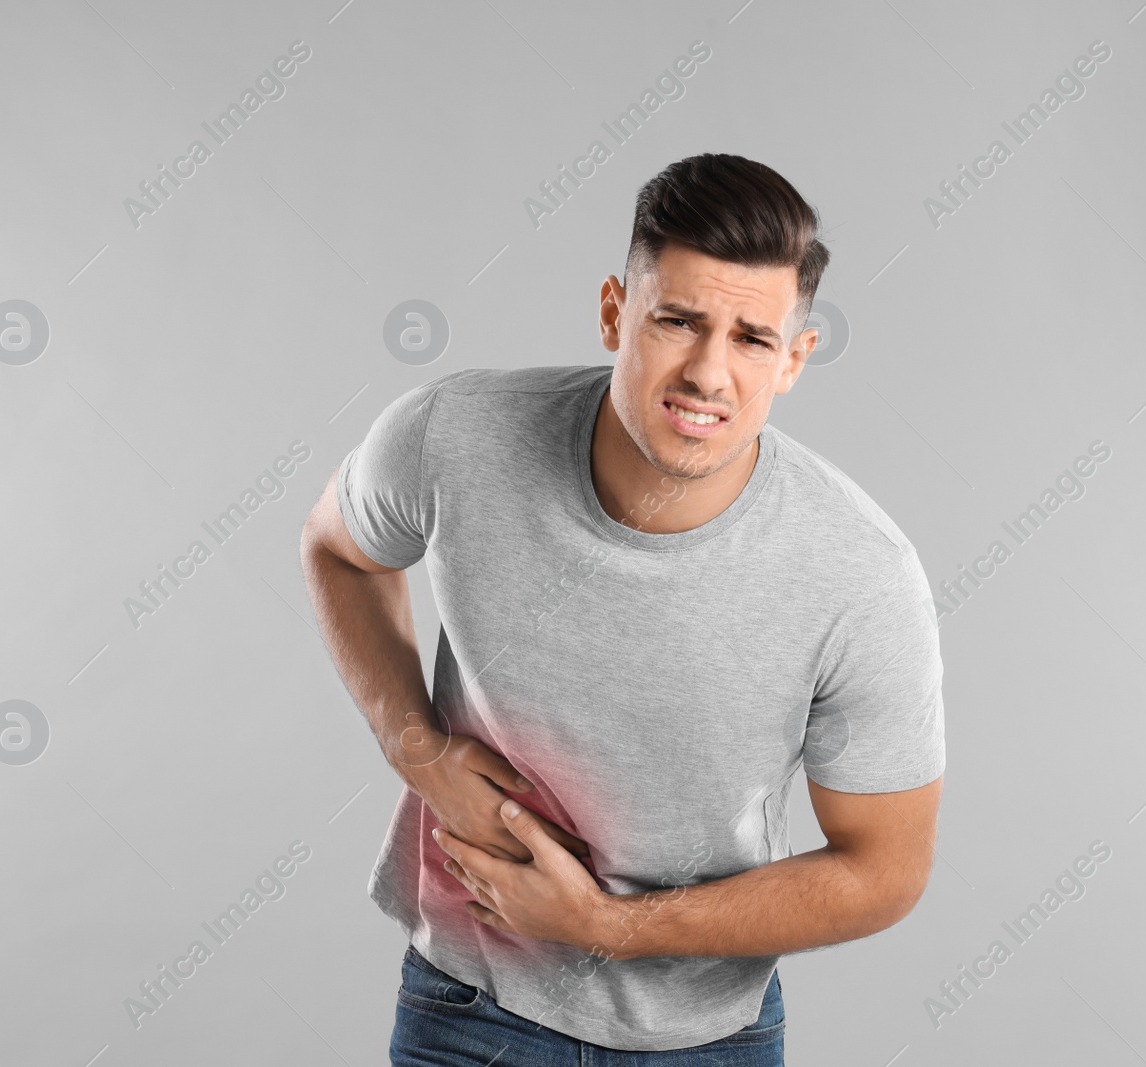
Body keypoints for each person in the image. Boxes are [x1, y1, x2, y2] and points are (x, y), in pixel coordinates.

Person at [300, 153, 945, 1064]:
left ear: (795, 357)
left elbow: (885, 869)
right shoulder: (452, 434)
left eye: (752, 338)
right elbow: (336, 548)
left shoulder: (861, 576)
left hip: (705, 1035)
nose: (709, 374)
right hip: (468, 1002)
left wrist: (610, 925)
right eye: (677, 320)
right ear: (615, 310)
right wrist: (413, 744)